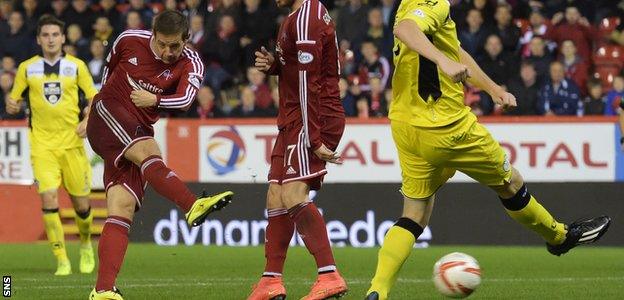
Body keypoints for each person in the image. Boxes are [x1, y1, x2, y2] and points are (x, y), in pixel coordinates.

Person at [365, 1, 611, 299]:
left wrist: (492, 88)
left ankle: (377, 290)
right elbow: (406, 30)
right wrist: (444, 63)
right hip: (447, 127)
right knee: (511, 183)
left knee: (415, 213)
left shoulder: (410, 5)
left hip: (405, 125)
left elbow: (454, 51)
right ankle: (559, 237)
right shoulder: (434, 4)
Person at [86, 10, 233, 299]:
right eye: (162, 44)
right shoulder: (129, 39)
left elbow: (187, 100)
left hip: (136, 127)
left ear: (185, 40)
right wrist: (98, 98)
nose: (167, 52)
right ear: (153, 35)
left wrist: (156, 99)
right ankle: (192, 205)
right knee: (150, 150)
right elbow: (108, 66)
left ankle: (102, 290)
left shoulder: (191, 62)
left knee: (122, 206)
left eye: (174, 46)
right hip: (107, 113)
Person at [247, 0, 348, 299]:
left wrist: (313, 137)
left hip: (312, 114)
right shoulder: (295, 17)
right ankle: (270, 281)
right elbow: (298, 68)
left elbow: (308, 80)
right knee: (275, 196)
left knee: (292, 194)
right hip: (293, 117)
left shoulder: (306, 16)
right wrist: (276, 66)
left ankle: (329, 275)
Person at [5, 15, 97, 276]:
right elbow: (13, 100)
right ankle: (62, 259)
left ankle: (86, 245)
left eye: (55, 34)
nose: (51, 39)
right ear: (38, 39)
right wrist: (12, 104)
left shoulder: (77, 66)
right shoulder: (26, 68)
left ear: (63, 38)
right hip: (42, 146)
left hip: (72, 144)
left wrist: (88, 119)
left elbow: (94, 98)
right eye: (45, 35)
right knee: (48, 196)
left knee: (82, 205)